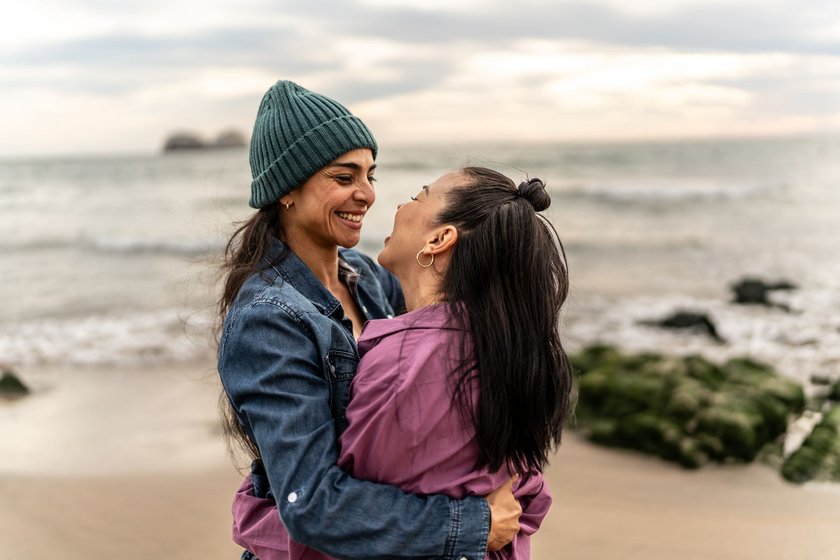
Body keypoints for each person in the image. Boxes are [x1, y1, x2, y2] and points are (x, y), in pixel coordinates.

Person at [217, 80, 522, 560]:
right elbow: (311, 503)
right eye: (344, 178)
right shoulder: (267, 320)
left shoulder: (369, 280)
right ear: (287, 190)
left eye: (370, 176)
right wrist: (471, 524)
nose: (367, 195)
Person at [232, 166, 575, 559]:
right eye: (345, 178)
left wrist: (254, 510)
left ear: (439, 239)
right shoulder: (501, 343)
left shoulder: (406, 367)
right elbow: (528, 500)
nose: (387, 201)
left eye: (419, 195)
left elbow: (337, 523)